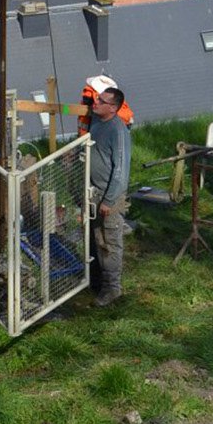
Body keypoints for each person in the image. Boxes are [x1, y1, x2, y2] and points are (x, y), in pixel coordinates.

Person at [87, 85, 130, 305]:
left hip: (109, 196)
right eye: (96, 98)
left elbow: (120, 171)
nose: (96, 102)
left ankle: (113, 289)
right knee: (95, 239)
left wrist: (109, 200)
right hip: (93, 192)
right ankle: (95, 281)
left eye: (101, 100)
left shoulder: (118, 130)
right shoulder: (96, 122)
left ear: (112, 108)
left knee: (110, 242)